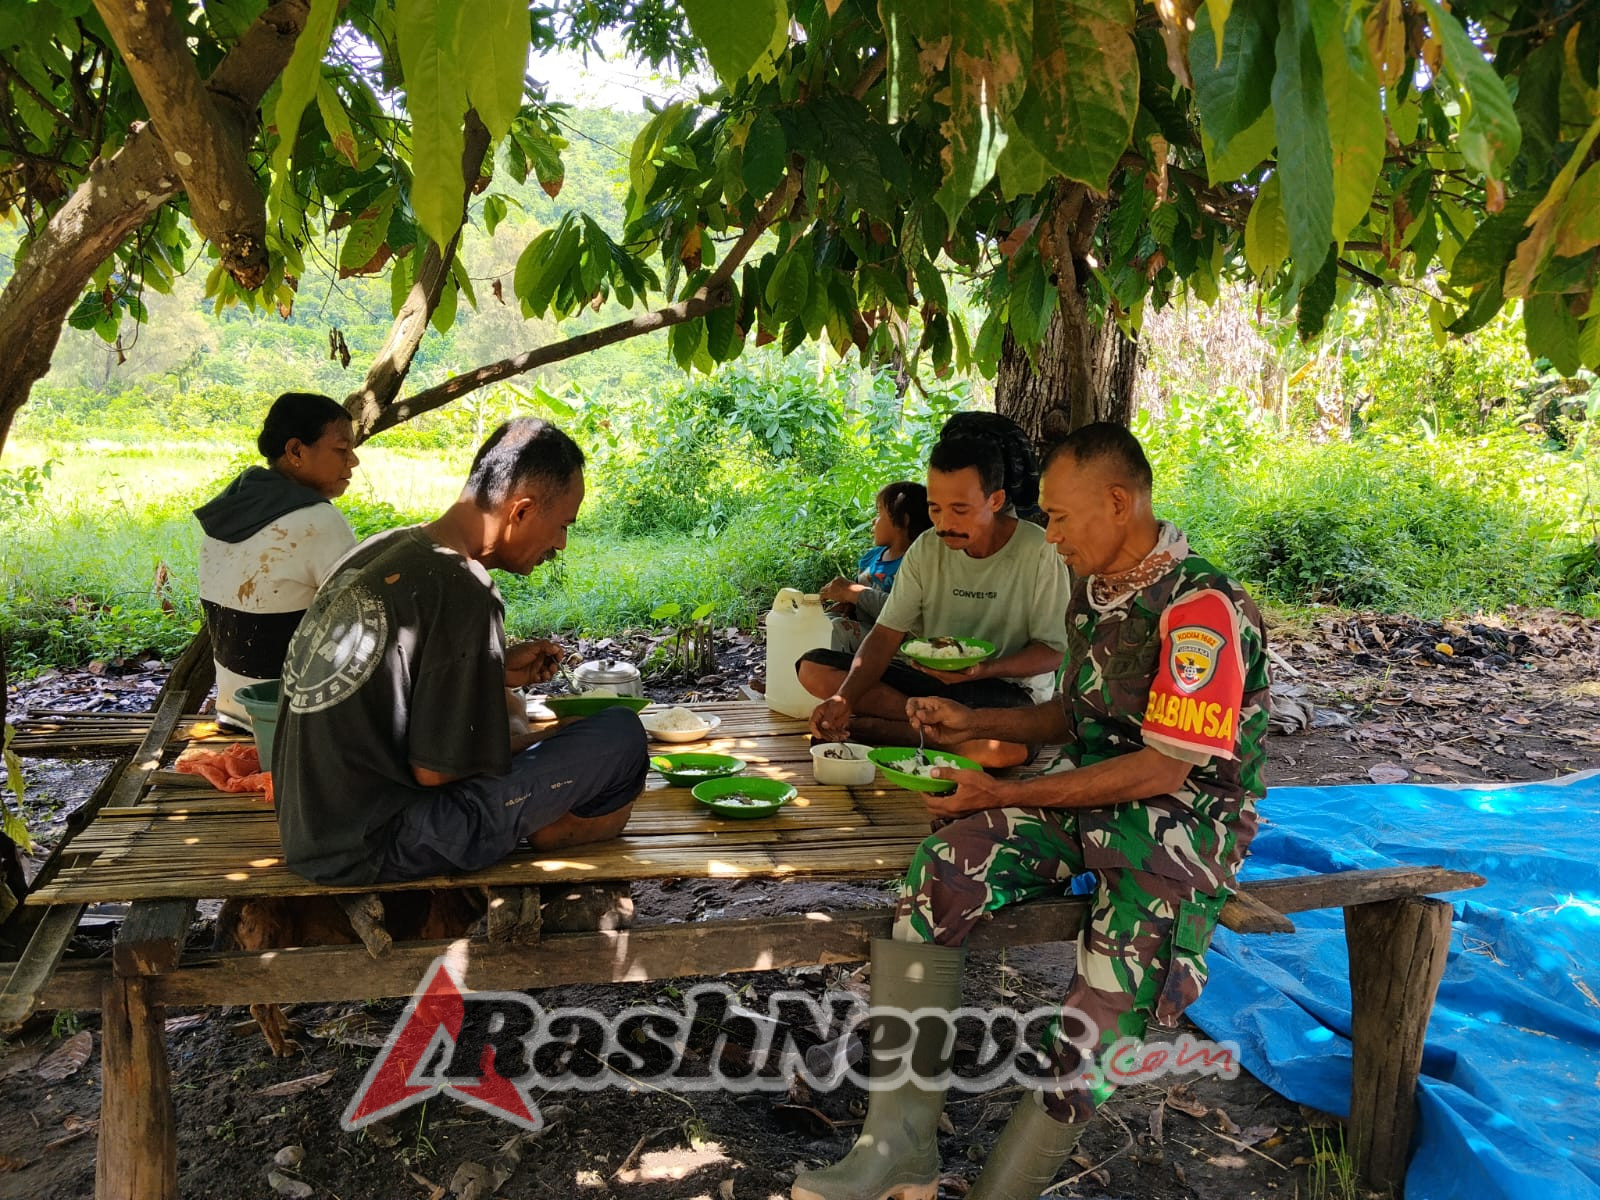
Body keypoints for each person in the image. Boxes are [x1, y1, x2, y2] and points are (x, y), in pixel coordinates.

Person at [790, 423, 1271, 1200]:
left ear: (1118, 503)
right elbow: (1069, 723)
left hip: (1177, 826)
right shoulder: (1094, 588)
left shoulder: (1200, 609)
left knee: (1105, 1005)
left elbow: (1160, 765)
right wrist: (977, 725)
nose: (1050, 534)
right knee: (944, 868)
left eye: (1061, 516)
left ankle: (1005, 1189)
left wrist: (1006, 791)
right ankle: (900, 1151)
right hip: (1084, 796)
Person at [273, 418, 648, 886]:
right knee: (620, 736)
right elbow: (435, 773)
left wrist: (490, 671)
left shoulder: (381, 549)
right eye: (562, 526)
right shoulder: (465, 588)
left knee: (518, 713)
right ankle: (561, 827)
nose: (560, 544)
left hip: (313, 830)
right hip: (379, 844)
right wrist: (553, 740)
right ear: (522, 511)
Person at [800, 425, 1070, 767]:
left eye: (960, 509)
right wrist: (844, 698)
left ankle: (890, 732)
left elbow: (1053, 652)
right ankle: (929, 731)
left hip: (1005, 693)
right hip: (929, 683)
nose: (944, 524)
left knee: (1004, 750)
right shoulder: (927, 548)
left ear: (995, 500)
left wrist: (985, 669)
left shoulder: (1039, 551)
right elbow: (885, 634)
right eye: (935, 509)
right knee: (813, 668)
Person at [194, 392, 359, 729]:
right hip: (288, 720)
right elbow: (360, 628)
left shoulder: (228, 511)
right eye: (341, 450)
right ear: (296, 451)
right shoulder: (318, 522)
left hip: (233, 710)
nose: (353, 461)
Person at [819, 481, 931, 653]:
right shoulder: (869, 559)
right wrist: (847, 604)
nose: (873, 520)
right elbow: (859, 605)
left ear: (903, 520)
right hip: (863, 630)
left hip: (897, 642)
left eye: (879, 513)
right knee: (820, 623)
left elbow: (904, 611)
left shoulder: (917, 564)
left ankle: (834, 676)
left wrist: (853, 592)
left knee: (836, 628)